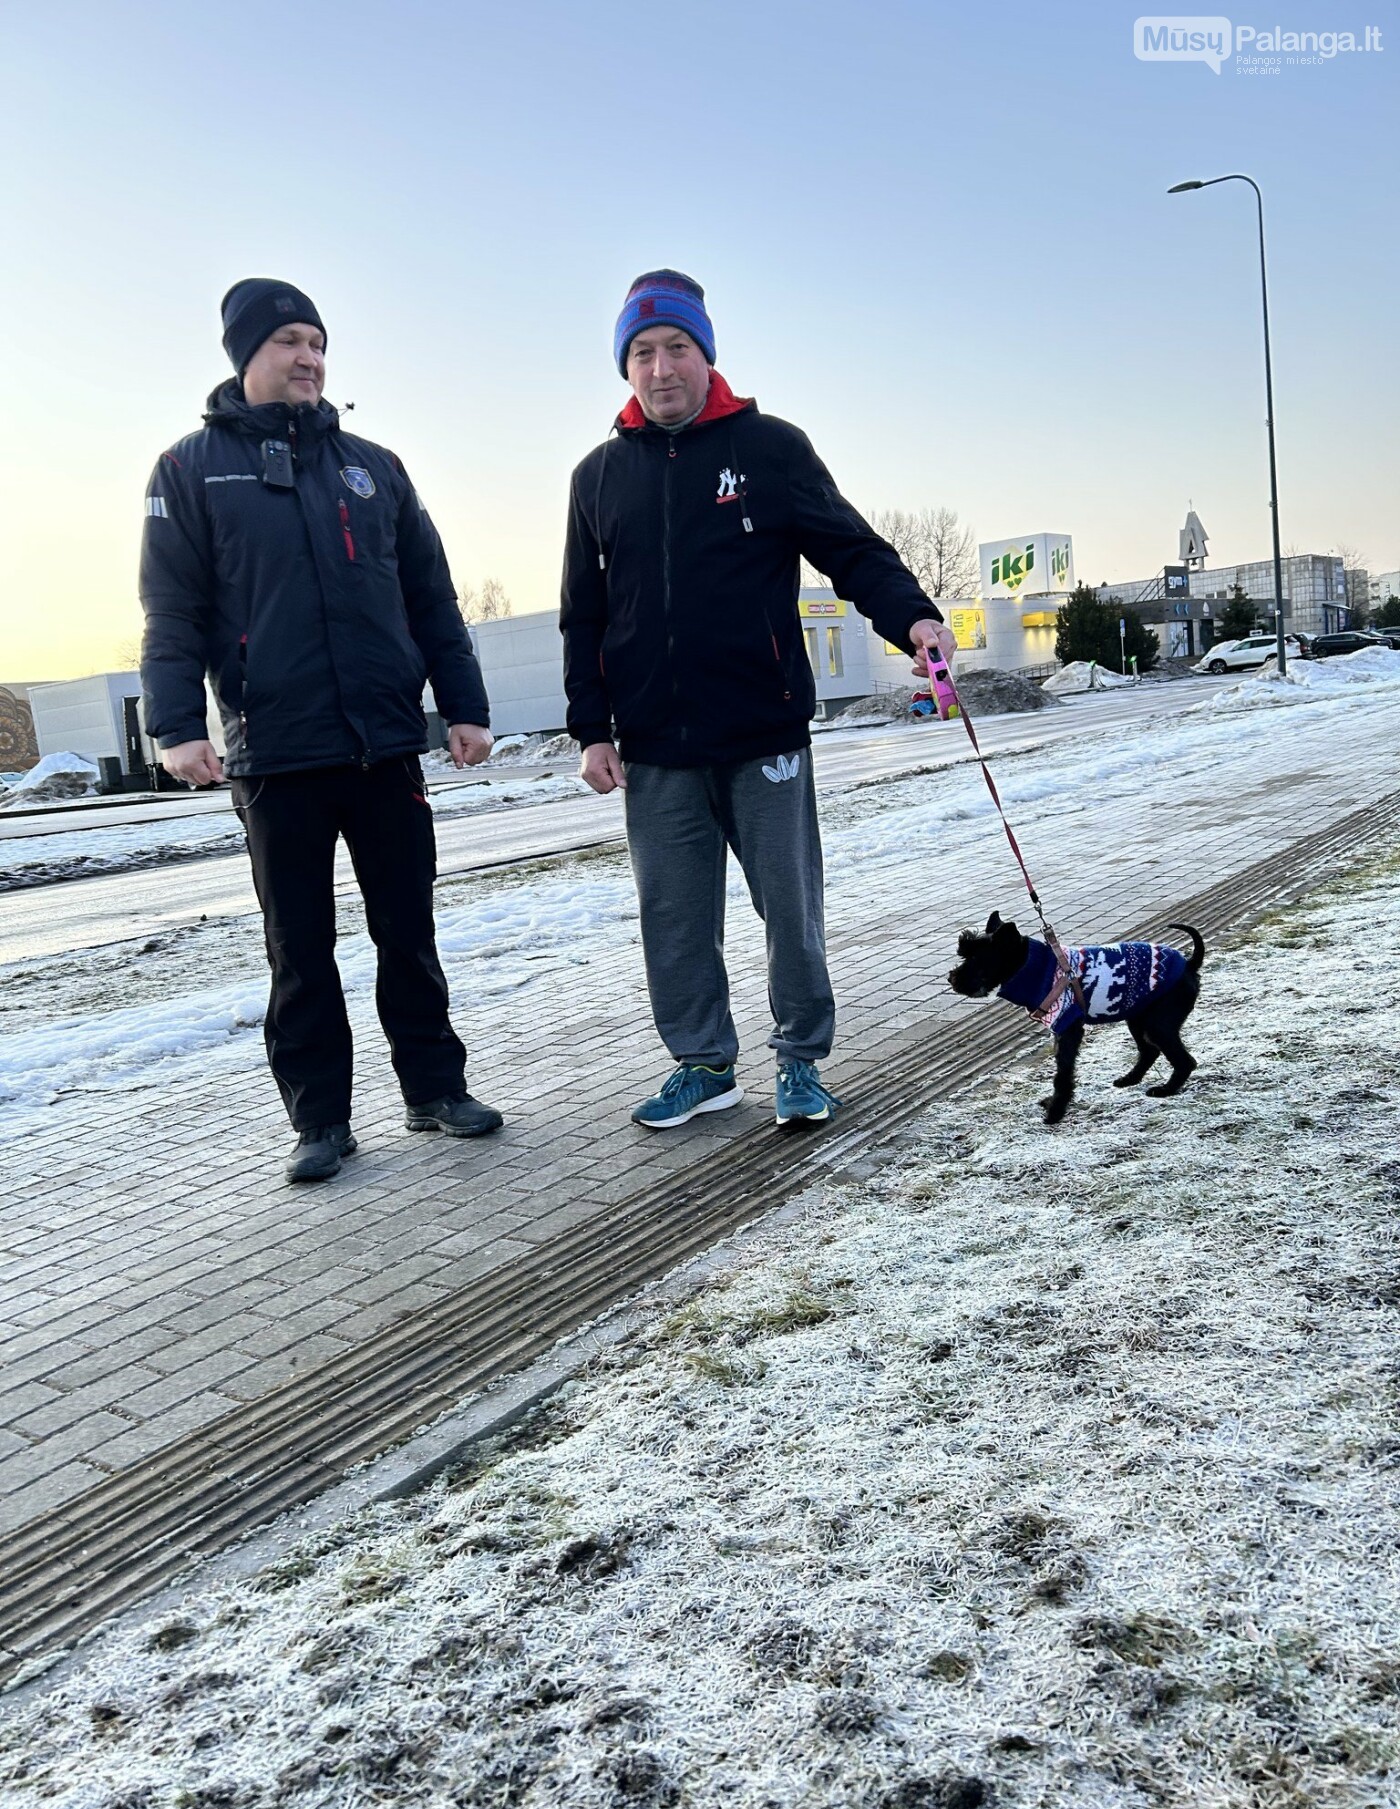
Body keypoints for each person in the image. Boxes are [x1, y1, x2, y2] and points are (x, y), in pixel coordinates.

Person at [560, 269, 956, 1131]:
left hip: (762, 730)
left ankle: (802, 1062)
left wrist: (914, 618)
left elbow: (851, 548)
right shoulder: (597, 477)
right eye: (642, 353)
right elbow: (583, 614)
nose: (660, 368)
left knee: (790, 908)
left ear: (706, 355)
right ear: (624, 367)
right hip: (656, 744)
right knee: (673, 916)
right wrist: (592, 727)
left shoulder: (770, 447)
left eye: (676, 348)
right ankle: (703, 1065)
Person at [140, 278, 502, 1184]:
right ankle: (320, 1121)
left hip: (383, 744)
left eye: (318, 341)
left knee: (406, 931)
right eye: (290, 341)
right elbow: (171, 612)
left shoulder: (374, 466)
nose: (310, 358)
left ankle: (434, 1089)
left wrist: (465, 705)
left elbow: (430, 597)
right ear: (247, 355)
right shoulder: (190, 470)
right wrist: (177, 725)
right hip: (276, 756)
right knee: (298, 948)